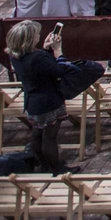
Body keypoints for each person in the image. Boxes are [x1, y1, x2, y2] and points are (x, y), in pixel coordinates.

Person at [6, 19, 80, 173]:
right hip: (48, 102)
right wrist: (58, 50)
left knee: (37, 134)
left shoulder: (16, 56)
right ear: (29, 39)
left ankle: (43, 164)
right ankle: (56, 167)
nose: (39, 37)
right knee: (49, 137)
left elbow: (40, 68)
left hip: (33, 100)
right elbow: (59, 71)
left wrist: (46, 49)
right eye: (36, 35)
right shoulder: (37, 58)